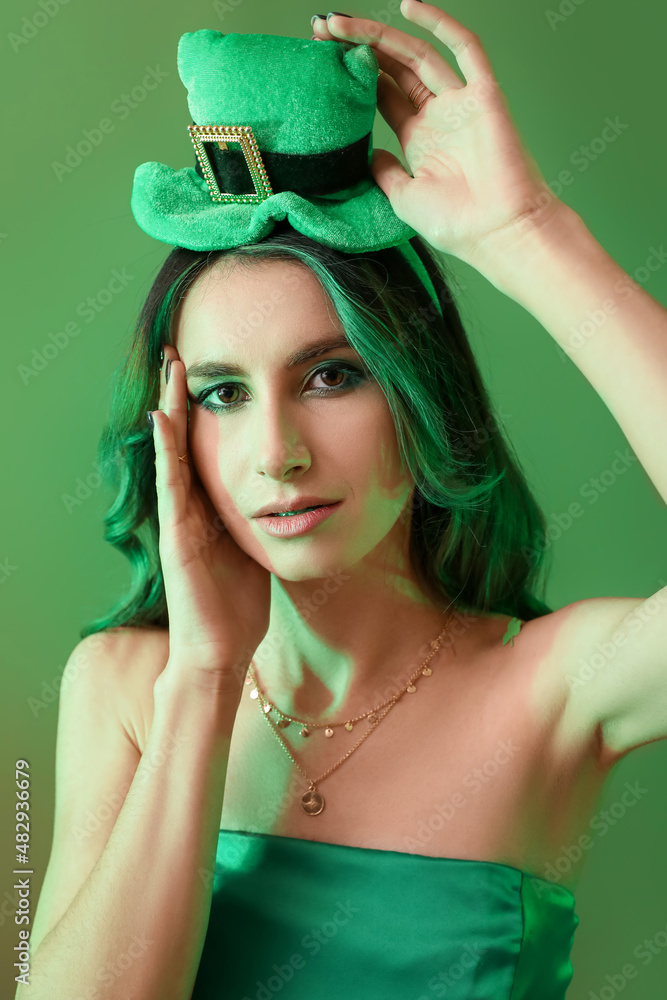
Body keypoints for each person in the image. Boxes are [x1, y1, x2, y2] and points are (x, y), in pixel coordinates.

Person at [17, 5, 667, 1000]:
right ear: (172, 430)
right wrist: (203, 674)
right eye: (222, 393)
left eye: (331, 377)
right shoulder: (122, 687)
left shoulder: (554, 690)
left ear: (419, 394)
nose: (275, 454)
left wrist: (524, 235)